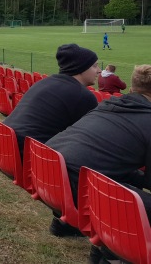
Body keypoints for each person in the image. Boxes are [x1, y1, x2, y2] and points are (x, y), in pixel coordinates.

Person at [46, 64, 151, 246]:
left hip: (47, 171)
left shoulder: (106, 105)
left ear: (133, 88)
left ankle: (73, 230)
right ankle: (112, 253)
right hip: (81, 187)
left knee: (126, 180)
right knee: (139, 202)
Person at [3, 43, 100, 157]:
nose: (99, 70)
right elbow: (90, 138)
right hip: (31, 156)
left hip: (4, 145)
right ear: (81, 68)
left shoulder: (44, 82)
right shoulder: (83, 96)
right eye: (94, 66)